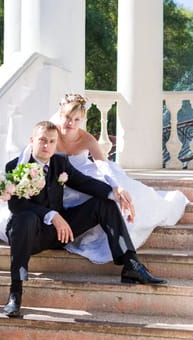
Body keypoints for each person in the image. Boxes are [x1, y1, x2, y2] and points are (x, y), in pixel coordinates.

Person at [4, 121, 166, 317]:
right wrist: (51, 215)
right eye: (42, 140)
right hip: (31, 235)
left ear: (56, 144)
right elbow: (16, 205)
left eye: (51, 141)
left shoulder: (60, 164)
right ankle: (15, 292)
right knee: (24, 218)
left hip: (60, 233)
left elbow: (84, 183)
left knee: (104, 204)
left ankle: (130, 264)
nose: (47, 146)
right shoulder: (15, 166)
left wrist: (115, 192)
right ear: (32, 140)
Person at [17, 94, 189, 264]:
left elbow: (102, 164)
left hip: (81, 175)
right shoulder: (51, 133)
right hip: (58, 179)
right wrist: (21, 175)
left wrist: (116, 186)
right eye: (68, 118)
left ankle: (125, 254)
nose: (71, 124)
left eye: (77, 120)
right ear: (61, 115)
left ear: (82, 120)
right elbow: (30, 150)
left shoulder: (86, 139)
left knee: (117, 193)